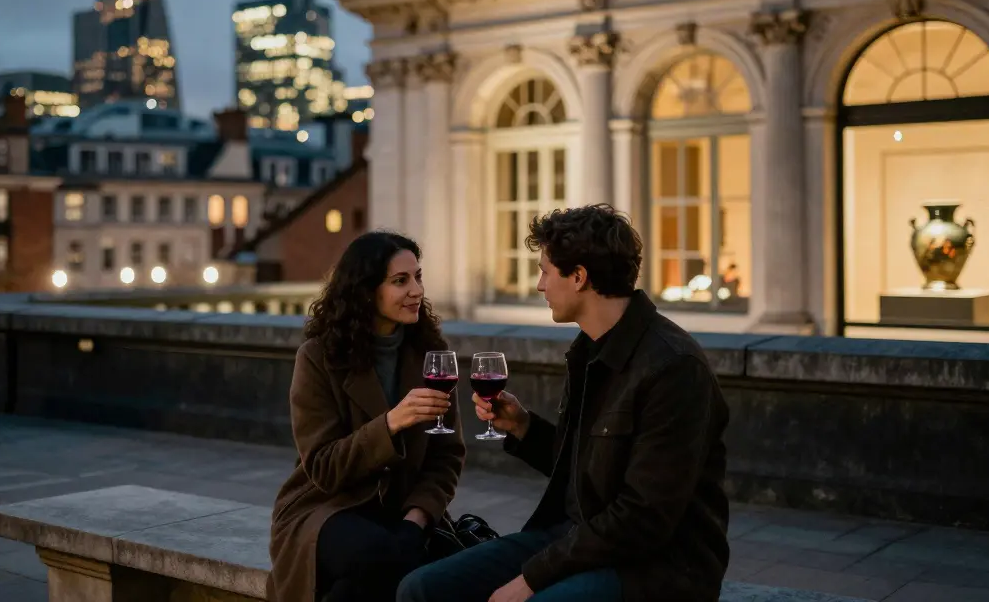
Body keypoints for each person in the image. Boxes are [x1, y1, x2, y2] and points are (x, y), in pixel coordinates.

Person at [398, 204, 730, 602]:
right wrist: (524, 427)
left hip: (658, 565)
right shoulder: (588, 348)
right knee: (421, 588)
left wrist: (532, 578)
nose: (539, 285)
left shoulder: (674, 367)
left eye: (544, 270)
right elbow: (588, 471)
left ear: (578, 277)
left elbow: (643, 518)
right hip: (577, 537)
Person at [268, 231, 467, 602]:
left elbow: (446, 457)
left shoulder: (432, 354)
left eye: (418, 277)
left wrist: (416, 521)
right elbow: (324, 467)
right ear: (365, 290)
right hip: (326, 507)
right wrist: (391, 424)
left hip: (402, 512)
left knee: (373, 578)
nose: (417, 291)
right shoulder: (318, 357)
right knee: (381, 558)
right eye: (400, 281)